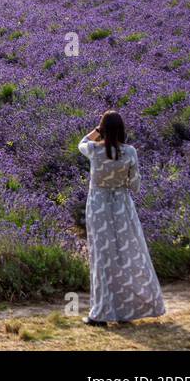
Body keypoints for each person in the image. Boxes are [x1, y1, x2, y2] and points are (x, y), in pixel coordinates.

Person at [78, 111, 165, 326]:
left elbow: (81, 142)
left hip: (98, 208)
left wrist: (98, 131)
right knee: (126, 256)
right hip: (122, 208)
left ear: (103, 129)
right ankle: (126, 309)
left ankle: (100, 314)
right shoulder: (130, 152)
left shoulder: (94, 150)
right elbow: (135, 185)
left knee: (102, 258)